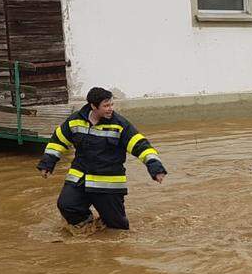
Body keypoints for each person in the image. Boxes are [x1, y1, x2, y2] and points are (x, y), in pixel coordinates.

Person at [37, 87, 167, 230]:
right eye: (106, 106)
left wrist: (155, 167)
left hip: (107, 184)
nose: (110, 108)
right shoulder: (74, 121)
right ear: (93, 106)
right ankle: (89, 226)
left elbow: (141, 146)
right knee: (66, 205)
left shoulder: (120, 125)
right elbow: (57, 141)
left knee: (117, 228)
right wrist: (47, 164)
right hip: (80, 179)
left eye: (111, 104)